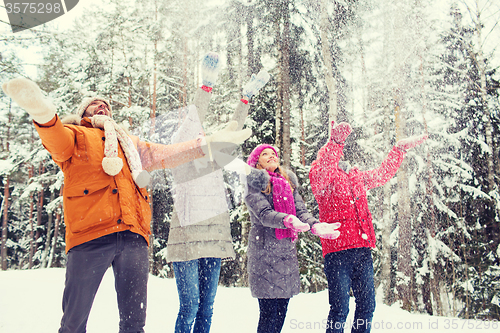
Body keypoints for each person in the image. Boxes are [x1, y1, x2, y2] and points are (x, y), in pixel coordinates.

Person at [1, 76, 251, 333]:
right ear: (83, 113)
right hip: (90, 236)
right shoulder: (76, 135)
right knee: (74, 322)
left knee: (134, 324)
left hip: (133, 236)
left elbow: (167, 153)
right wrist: (42, 113)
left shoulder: (129, 144)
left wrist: (208, 144)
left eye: (106, 105)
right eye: (94, 104)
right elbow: (55, 139)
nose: (102, 107)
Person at [166, 52, 270, 333]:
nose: (199, 138)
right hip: (186, 242)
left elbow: (233, 131)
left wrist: (245, 100)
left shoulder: (215, 159)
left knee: (206, 309)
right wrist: (206, 87)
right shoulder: (180, 163)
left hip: (214, 240)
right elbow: (193, 121)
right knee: (189, 307)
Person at [309, 121, 428, 333]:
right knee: (340, 309)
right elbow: (326, 165)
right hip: (337, 252)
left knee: (367, 307)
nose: (340, 155)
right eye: (335, 152)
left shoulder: (356, 178)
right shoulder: (321, 176)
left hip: (362, 251)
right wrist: (335, 141)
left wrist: (398, 150)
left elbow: (382, 174)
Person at [244, 144, 341, 333]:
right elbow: (264, 214)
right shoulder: (252, 184)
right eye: (265, 154)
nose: (271, 156)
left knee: (281, 312)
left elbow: (301, 212)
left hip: (285, 254)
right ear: (256, 162)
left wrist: (314, 225)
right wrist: (287, 220)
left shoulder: (287, 182)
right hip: (264, 254)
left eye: (273, 153)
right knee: (268, 315)